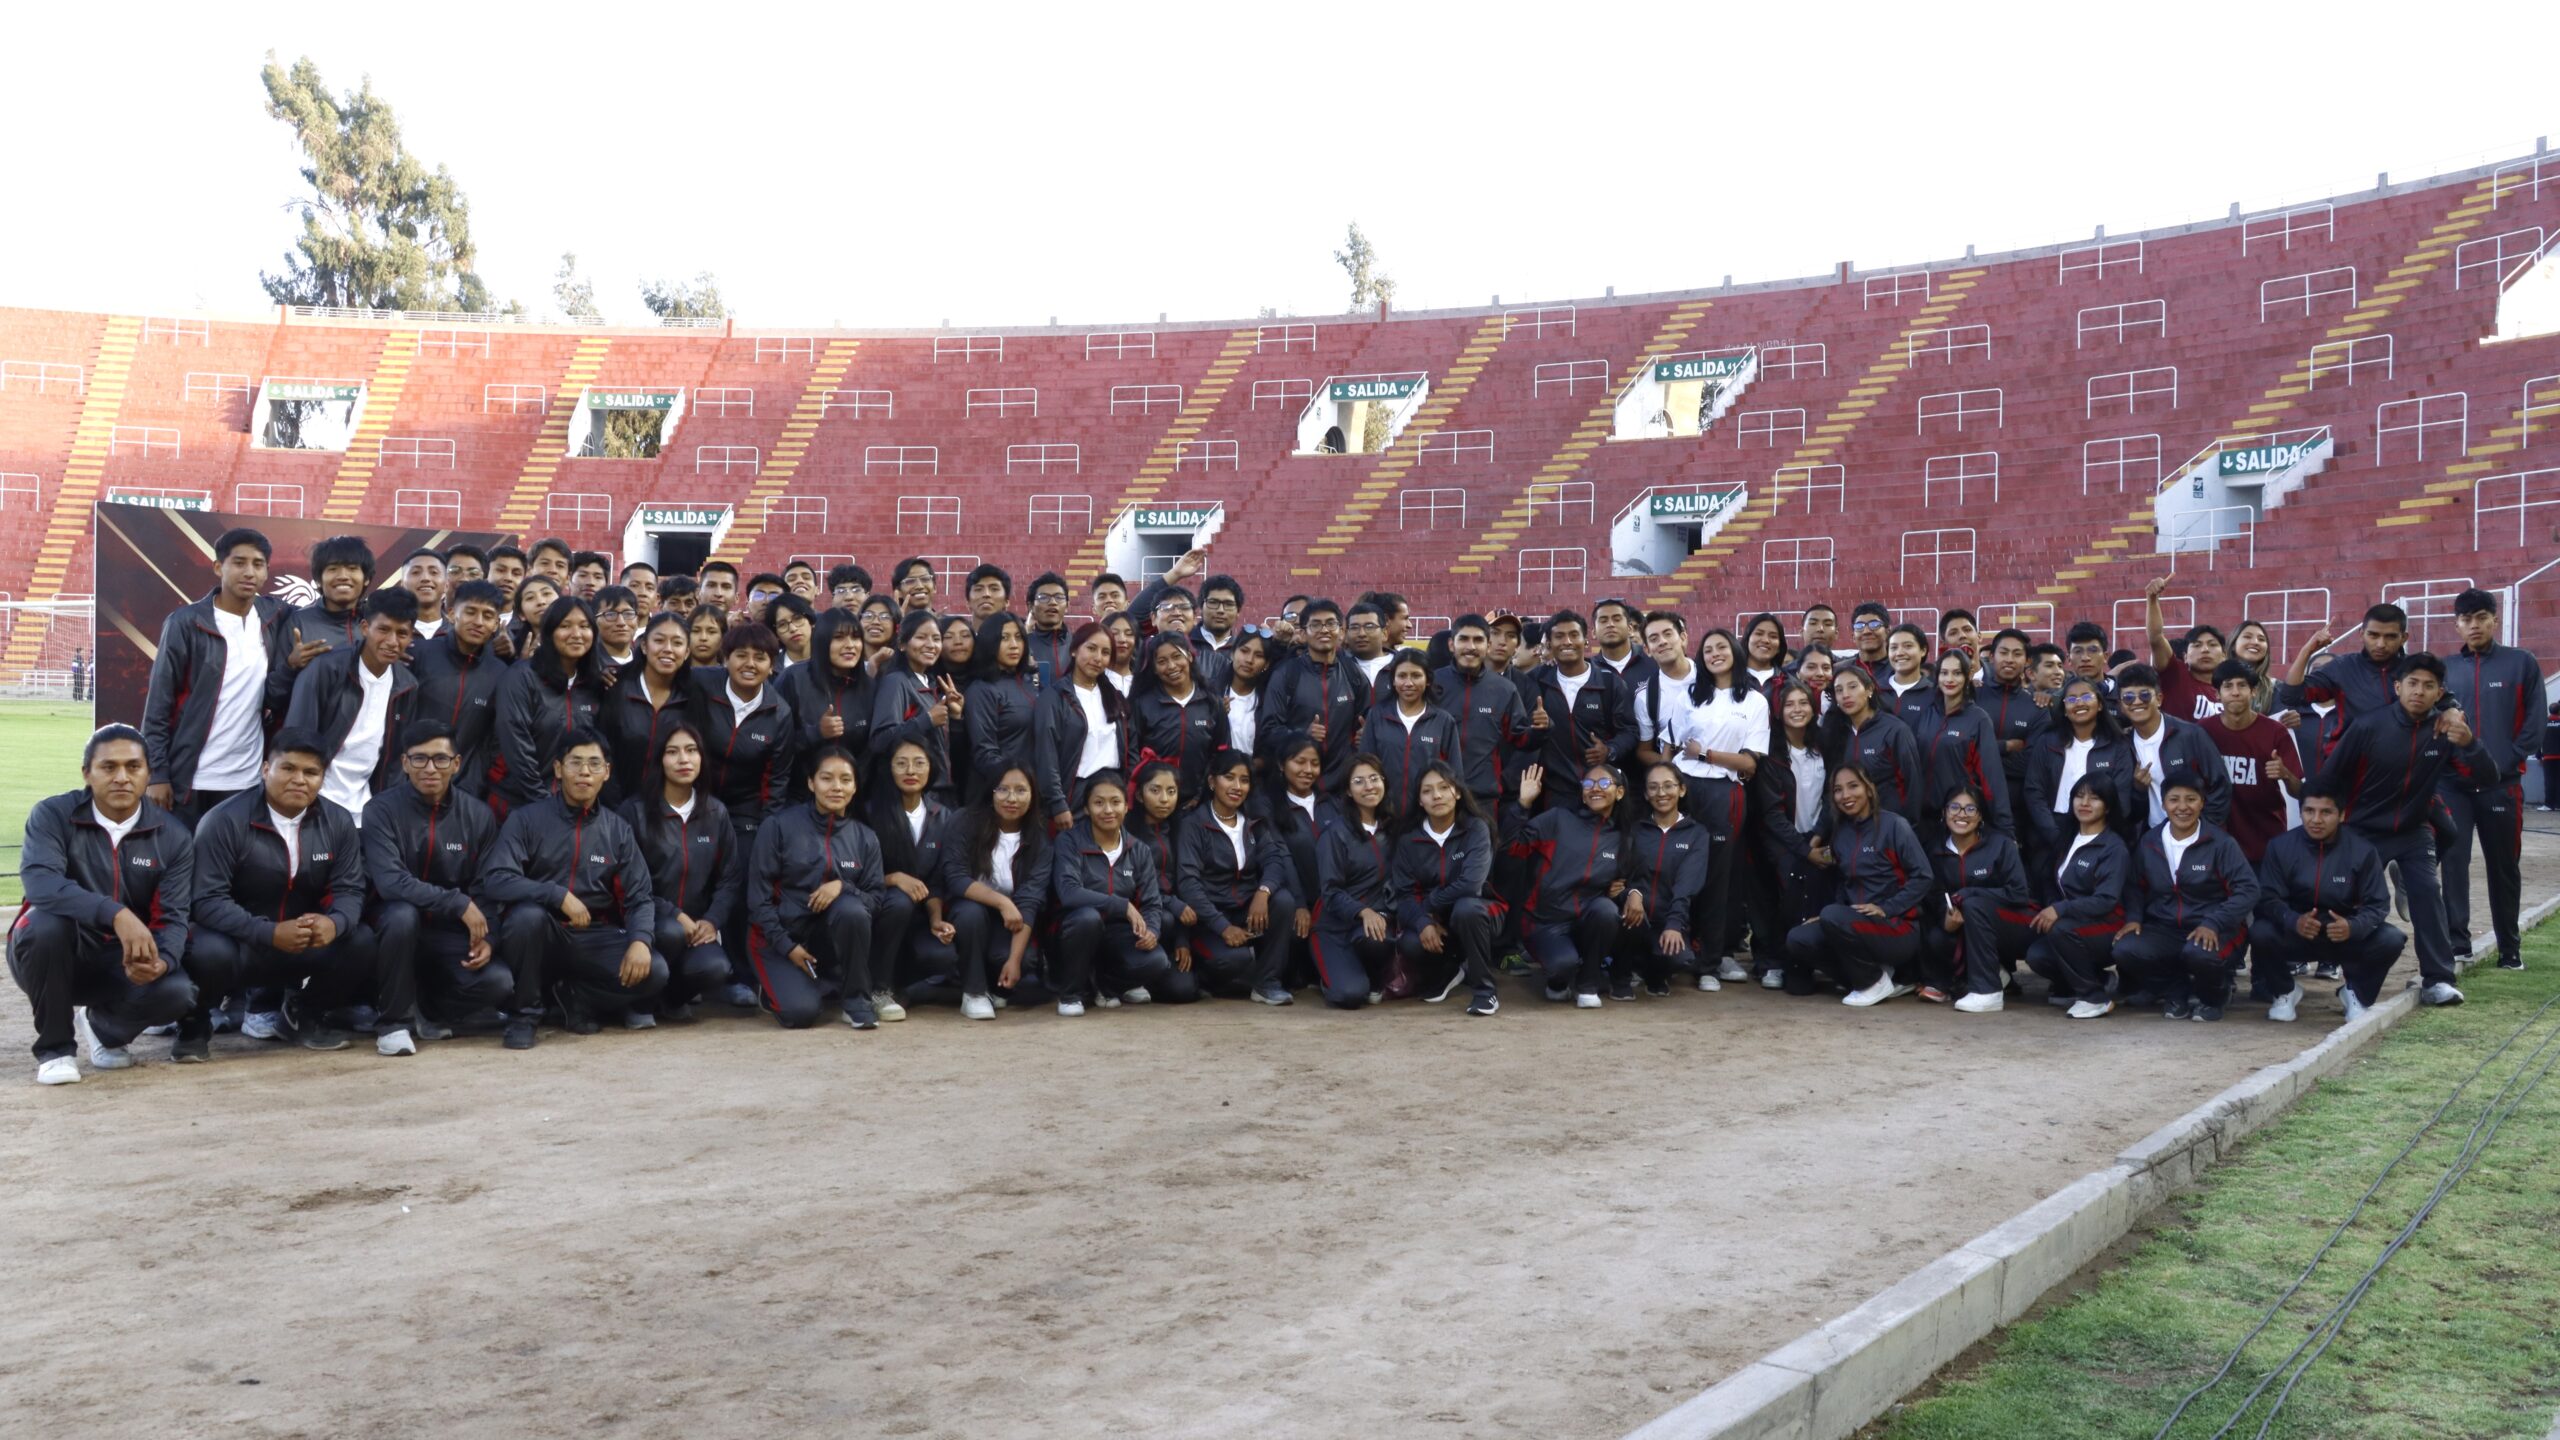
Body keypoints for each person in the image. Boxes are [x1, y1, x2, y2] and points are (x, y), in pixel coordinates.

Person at [11, 725, 196, 1083]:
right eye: (109, 767)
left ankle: (103, 1029)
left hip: (121, 959)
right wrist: (115, 914)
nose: (122, 777)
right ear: (87, 773)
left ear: (148, 773)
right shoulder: (52, 814)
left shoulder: (173, 835)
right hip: (53, 953)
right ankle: (56, 1050)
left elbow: (174, 916)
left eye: (133, 767)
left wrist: (162, 961)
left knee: (178, 992)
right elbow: (41, 883)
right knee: (45, 924)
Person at [182, 730, 381, 1055]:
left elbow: (349, 888)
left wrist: (335, 923)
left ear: (322, 778)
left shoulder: (338, 821)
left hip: (302, 942)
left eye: (311, 772)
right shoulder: (223, 821)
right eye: (288, 768)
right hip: (241, 944)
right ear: (266, 770)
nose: (299, 780)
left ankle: (304, 1014)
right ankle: (193, 1026)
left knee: (361, 940)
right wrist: (269, 933)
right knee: (205, 949)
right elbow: (206, 900)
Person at [2313, 652, 2493, 1007]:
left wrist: (2470, 743)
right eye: (2412, 683)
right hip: (2362, 831)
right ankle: (2353, 984)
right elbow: (2331, 779)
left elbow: (2487, 778)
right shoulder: (2368, 726)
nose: (2419, 692)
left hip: (2413, 830)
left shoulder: (2446, 729)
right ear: (2398, 687)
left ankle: (2438, 980)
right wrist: (2329, 826)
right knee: (2350, 903)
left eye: (2428, 686)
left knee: (2427, 892)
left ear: (2440, 692)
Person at [481, 727, 666, 1047]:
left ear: (607, 772)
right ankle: (524, 1016)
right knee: (527, 918)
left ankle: (576, 996)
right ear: (557, 769)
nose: (584, 772)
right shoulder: (527, 819)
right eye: (575, 762)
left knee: (656, 971)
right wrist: (556, 895)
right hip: (541, 933)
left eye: (594, 764)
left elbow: (640, 896)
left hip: (593, 935)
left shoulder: (617, 829)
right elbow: (496, 878)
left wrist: (640, 940)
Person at [362, 720, 505, 1047]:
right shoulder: (380, 810)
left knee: (499, 982)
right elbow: (390, 882)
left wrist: (489, 937)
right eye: (419, 759)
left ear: (456, 764)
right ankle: (392, 1024)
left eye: (440, 759)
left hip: (447, 931)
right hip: (391, 927)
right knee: (402, 915)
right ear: (404, 763)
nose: (430, 768)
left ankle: (428, 1007)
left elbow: (485, 887)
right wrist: (457, 902)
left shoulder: (478, 815)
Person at [142, 526, 289, 823]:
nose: (249, 572)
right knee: (186, 854)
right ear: (218, 567)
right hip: (191, 780)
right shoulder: (186, 623)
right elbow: (159, 704)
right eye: (239, 563)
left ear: (266, 572)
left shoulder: (276, 616)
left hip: (247, 780)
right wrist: (157, 774)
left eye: (258, 564)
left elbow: (327, 617)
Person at [741, 743, 887, 1029]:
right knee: (801, 1014)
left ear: (855, 787)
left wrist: (843, 887)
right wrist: (787, 947)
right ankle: (784, 986)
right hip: (776, 939)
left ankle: (856, 1001)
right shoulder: (778, 826)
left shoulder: (866, 837)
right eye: (826, 778)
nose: (836, 787)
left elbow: (877, 900)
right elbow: (758, 900)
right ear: (811, 783)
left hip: (825, 940)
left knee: (852, 909)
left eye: (845, 779)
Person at [1655, 624, 1768, 982]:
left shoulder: (1754, 700)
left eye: (1721, 647)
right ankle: (1674, 954)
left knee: (1719, 877)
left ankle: (1711, 962)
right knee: (1678, 869)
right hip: (1686, 788)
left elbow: (1749, 763)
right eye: (1708, 650)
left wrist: (1707, 755)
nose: (1715, 654)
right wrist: (1666, 782)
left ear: (1735, 651)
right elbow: (1670, 748)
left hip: (1724, 793)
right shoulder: (1690, 694)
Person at [2441, 587, 2544, 969]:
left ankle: (2509, 949)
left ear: (2495, 620)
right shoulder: (2445, 669)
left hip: (2502, 785)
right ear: (2456, 625)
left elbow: (2534, 721)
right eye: (2466, 619)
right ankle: (2457, 945)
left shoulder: (2521, 663)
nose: (2474, 625)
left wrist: (2506, 762)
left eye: (2481, 618)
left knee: (2503, 867)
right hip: (2454, 785)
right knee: (2453, 865)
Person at [2250, 779, 2405, 1024]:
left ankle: (2357, 993)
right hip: (2298, 935)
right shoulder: (2279, 847)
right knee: (2260, 931)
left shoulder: (2362, 851)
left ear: (2341, 815)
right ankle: (2284, 991)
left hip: (2344, 937)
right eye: (2309, 811)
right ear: (2301, 811)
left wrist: (2352, 926)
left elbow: (2378, 905)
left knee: (2392, 938)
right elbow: (2268, 898)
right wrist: (2294, 920)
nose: (2316, 819)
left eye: (2326, 812)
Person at [619, 721, 745, 1021]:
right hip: (648, 921)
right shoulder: (635, 812)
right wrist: (675, 914)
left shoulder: (715, 812)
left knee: (715, 968)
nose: (683, 759)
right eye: (672, 752)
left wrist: (712, 921)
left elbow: (730, 877)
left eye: (691, 750)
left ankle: (671, 1001)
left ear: (702, 758)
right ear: (659, 760)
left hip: (696, 926)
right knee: (670, 932)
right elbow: (627, 882)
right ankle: (639, 1004)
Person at [1781, 764, 1931, 1006]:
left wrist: (1887, 908)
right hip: (1854, 922)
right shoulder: (1841, 832)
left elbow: (1923, 877)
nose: (1845, 795)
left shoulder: (1895, 825)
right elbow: (1844, 881)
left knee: (1832, 915)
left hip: (1897, 927)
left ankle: (1872, 983)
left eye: (1853, 786)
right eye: (1838, 790)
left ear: (1869, 789)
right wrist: (1830, 917)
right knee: (1799, 938)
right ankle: (1872, 977)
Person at [2115, 776, 2260, 1021]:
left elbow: (2248, 889)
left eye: (2191, 799)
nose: (2182, 807)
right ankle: (2176, 991)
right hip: (2165, 927)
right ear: (2163, 804)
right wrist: (2134, 918)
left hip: (2216, 928)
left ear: (2202, 803)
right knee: (2125, 949)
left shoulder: (2221, 843)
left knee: (2199, 954)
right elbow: (2134, 886)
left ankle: (2214, 997)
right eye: (2174, 800)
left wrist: (2214, 922)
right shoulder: (2150, 842)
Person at [1047, 770, 1179, 1015]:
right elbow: (1069, 892)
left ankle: (1105, 985)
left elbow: (1152, 901)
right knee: (1088, 918)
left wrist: (1152, 930)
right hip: (1075, 930)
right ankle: (1071, 994)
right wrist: (1122, 905)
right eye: (1099, 803)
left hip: (1117, 931)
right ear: (1086, 809)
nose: (1108, 810)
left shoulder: (1138, 849)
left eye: (1115, 802)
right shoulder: (1069, 841)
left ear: (1126, 807)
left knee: (1158, 961)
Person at [284, 586, 420, 821]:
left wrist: (386, 811)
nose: (392, 641)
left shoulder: (407, 685)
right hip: (315, 804)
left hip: (366, 810)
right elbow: (296, 737)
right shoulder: (326, 669)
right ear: (365, 628)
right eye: (384, 630)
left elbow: (395, 760)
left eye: (402, 633)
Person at [1174, 750, 1299, 1004]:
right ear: (1212, 781)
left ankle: (1267, 984)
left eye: (1244, 780)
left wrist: (1263, 892)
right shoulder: (1194, 824)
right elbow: (1188, 883)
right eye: (1229, 777)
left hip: (1246, 910)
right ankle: (1207, 977)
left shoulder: (1253, 821)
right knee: (1233, 961)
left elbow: (1274, 860)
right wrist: (1223, 926)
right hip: (1209, 919)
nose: (1237, 786)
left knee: (1283, 901)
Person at [1506, 761, 1630, 1008]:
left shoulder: (1622, 838)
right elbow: (1511, 847)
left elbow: (1629, 879)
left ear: (1619, 792)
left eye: (1604, 782)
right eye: (1588, 783)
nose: (1595, 788)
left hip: (1586, 921)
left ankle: (1588, 984)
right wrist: (1523, 804)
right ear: (1582, 793)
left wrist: (1626, 891)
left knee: (1606, 910)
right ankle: (1558, 983)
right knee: (1563, 964)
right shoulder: (1558, 819)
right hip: (1545, 923)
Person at [937, 765, 1053, 1018]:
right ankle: (974, 993)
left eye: (1021, 790)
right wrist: (1002, 902)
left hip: (1009, 918)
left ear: (1033, 796)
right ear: (991, 792)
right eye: (1003, 789)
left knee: (1023, 959)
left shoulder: (1039, 839)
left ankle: (996, 986)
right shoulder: (965, 821)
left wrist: (1014, 960)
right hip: (967, 908)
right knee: (971, 913)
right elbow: (956, 878)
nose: (1012, 798)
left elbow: (1030, 900)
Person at [1388, 762, 1502, 1015]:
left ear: (1457, 792)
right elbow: (1404, 894)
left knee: (1466, 909)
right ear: (1420, 800)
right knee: (1410, 942)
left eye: (1444, 787)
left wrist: (1428, 906)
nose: (1436, 796)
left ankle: (1485, 991)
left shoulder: (1476, 828)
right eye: (1427, 791)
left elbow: (1471, 884)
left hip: (1481, 911)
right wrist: (1423, 922)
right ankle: (1449, 970)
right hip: (1436, 918)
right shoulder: (1408, 839)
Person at [2022, 777, 2135, 1019]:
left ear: (2108, 806)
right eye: (2079, 796)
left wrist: (2060, 910)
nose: (2084, 803)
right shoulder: (2067, 836)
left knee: (2061, 930)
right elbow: (2050, 880)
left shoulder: (2113, 847)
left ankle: (2094, 998)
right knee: (2038, 956)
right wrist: (2054, 906)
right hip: (2074, 921)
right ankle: (2099, 980)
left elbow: (2106, 900)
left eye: (2094, 798)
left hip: (2107, 925)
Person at [1918, 786, 2035, 1010]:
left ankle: (1987, 991)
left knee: (1973, 904)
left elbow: (2019, 893)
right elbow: (1934, 893)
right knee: (1936, 936)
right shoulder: (1934, 850)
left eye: (1970, 809)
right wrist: (1945, 915)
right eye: (1954, 807)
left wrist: (1970, 894)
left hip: (2009, 923)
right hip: (1963, 926)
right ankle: (1960, 980)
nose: (1961, 814)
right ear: (1944, 812)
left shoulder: (2000, 844)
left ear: (1981, 815)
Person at [867, 739, 959, 1020]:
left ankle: (905, 987)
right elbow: (857, 875)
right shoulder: (871, 812)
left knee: (943, 956)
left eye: (919, 763)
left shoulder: (943, 816)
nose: (911, 770)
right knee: (899, 900)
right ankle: (879, 989)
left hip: (921, 914)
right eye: (901, 763)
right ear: (889, 768)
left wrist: (936, 919)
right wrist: (893, 879)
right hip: (881, 911)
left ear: (931, 768)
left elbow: (939, 879)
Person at [491, 596, 607, 814]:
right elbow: (516, 744)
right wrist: (544, 802)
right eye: (565, 626)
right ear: (549, 632)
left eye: (584, 626)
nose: (576, 634)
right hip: (517, 802)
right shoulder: (522, 677)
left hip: (572, 804)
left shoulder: (593, 683)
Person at [1749, 681, 1831, 989]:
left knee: (1815, 896)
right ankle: (1772, 960)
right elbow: (1771, 813)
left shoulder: (1824, 745)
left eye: (1803, 703)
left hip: (1817, 836)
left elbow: (1833, 796)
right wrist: (1802, 848)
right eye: (1789, 704)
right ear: (1778, 711)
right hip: (1780, 840)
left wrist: (1817, 838)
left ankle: (1803, 960)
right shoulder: (1770, 753)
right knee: (1781, 896)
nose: (1797, 710)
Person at [1517, 610, 1636, 808]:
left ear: (1586, 641)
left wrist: (1610, 750)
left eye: (1574, 635)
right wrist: (1536, 728)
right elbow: (1519, 733)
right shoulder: (1535, 681)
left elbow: (1630, 731)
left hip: (1599, 789)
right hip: (1553, 793)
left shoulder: (1610, 683)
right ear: (1549, 644)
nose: (1567, 642)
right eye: (1559, 636)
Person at [1612, 763, 1710, 1000]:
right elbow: (1620, 877)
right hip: (1634, 915)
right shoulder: (1634, 830)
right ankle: (1621, 976)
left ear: (1682, 790)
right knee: (1628, 919)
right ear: (1646, 794)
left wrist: (1674, 923)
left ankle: (1654, 975)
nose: (1661, 793)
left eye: (1668, 786)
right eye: (1653, 787)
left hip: (1668, 919)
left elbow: (1687, 884)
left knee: (1680, 958)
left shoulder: (1696, 834)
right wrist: (1630, 893)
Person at [2026, 675, 2140, 867]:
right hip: (2052, 831)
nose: (2079, 703)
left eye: (2086, 697)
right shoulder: (2048, 742)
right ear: (2064, 709)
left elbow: (2121, 798)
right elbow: (2033, 791)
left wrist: (2095, 836)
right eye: (2071, 699)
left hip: (2100, 833)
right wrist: (2053, 834)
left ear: (2100, 704)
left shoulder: (2117, 745)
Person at [1310, 754, 1396, 1008]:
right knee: (1350, 995)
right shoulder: (1335, 833)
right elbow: (1330, 891)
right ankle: (1331, 976)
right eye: (1359, 781)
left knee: (1378, 940)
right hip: (1333, 927)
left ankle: (1372, 976)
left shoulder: (1393, 828)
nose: (1369, 786)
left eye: (1374, 779)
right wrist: (1362, 911)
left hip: (1372, 927)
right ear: (1348, 790)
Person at [409, 579, 507, 798]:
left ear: (496, 624)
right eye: (470, 612)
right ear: (452, 614)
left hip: (464, 791)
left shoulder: (500, 673)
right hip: (408, 783)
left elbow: (492, 740)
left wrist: (475, 781)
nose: (478, 622)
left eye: (488, 616)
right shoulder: (418, 653)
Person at [2281, 605, 2411, 766]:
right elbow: (2291, 695)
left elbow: (2439, 704)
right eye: (2373, 635)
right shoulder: (2342, 667)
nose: (2380, 644)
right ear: (2361, 634)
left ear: (2404, 638)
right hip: (2349, 768)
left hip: (2401, 767)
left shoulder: (2416, 670)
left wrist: (2444, 714)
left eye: (2390, 637)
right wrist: (2307, 650)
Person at [2204, 657, 2305, 865]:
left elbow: (2299, 792)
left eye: (2242, 685)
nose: (2235, 692)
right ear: (2217, 694)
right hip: (2219, 843)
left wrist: (2285, 774)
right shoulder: (2203, 730)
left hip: (2267, 842)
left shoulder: (2276, 732)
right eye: (2228, 686)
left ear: (2253, 691)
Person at [1265, 599, 1372, 792]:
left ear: (1341, 631)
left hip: (1341, 786)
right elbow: (1269, 730)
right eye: (1315, 625)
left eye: (1331, 623)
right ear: (1303, 633)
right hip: (1297, 786)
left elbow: (1367, 719)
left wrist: (1366, 734)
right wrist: (1301, 735)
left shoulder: (1353, 673)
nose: (1324, 630)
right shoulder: (1286, 674)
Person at [265, 534, 376, 713]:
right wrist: (290, 666)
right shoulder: (298, 622)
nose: (343, 576)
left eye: (352, 568)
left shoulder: (376, 624)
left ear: (366, 578)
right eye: (332, 569)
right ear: (318, 580)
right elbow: (272, 697)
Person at [1032, 622, 1126, 831]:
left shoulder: (1115, 698)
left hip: (1112, 792)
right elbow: (1046, 754)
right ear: (1074, 650)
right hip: (1074, 796)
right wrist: (1057, 803)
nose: (1098, 658)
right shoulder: (1055, 697)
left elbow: (1130, 748)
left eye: (1105, 653)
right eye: (1091, 648)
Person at [2115, 664, 2232, 831]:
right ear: (2121, 706)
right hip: (2151, 838)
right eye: (2128, 697)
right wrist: (2138, 790)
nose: (2137, 702)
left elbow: (2220, 785)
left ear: (2159, 699)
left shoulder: (2190, 735)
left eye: (2145, 695)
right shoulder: (2123, 744)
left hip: (2195, 834)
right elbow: (2127, 809)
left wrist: (2203, 830)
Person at [1914, 648, 2013, 843]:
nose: (1949, 679)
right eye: (1944, 673)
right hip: (1922, 819)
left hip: (1958, 818)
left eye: (1957, 673)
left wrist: (2006, 828)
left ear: (1968, 676)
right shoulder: (1926, 714)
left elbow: (1992, 777)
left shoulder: (1978, 719)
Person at [1435, 614, 1531, 815]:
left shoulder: (1504, 689)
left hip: (1483, 798)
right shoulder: (1432, 684)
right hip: (1436, 793)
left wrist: (1540, 730)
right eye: (1464, 639)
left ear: (1488, 646)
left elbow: (1520, 739)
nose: (1471, 646)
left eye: (1478, 640)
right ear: (1451, 645)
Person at [603, 612, 698, 807]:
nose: (668, 649)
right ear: (644, 646)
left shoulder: (693, 698)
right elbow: (602, 750)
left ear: (687, 652)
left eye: (677, 643)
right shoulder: (614, 687)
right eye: (659, 641)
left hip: (668, 811)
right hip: (614, 807)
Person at [779, 608, 873, 798]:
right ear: (822, 641)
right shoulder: (794, 679)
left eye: (856, 638)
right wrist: (816, 733)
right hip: (798, 798)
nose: (850, 645)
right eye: (839, 638)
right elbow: (774, 744)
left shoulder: (869, 687)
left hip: (850, 798)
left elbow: (870, 753)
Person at [869, 611, 962, 803]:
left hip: (941, 792)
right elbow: (880, 740)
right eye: (921, 637)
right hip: (912, 795)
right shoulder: (896, 682)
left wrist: (956, 716)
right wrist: (926, 720)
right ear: (902, 644)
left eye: (936, 639)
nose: (930, 645)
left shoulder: (932, 684)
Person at [1127, 633, 1229, 807]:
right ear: (1154, 668)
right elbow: (1132, 753)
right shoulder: (1142, 704)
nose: (1171, 666)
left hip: (1198, 803)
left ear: (1190, 656)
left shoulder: (1212, 703)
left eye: (1177, 656)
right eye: (1162, 661)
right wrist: (1146, 793)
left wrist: (1200, 795)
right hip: (1154, 803)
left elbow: (1220, 754)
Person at [1363, 651, 1458, 814]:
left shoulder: (1443, 721)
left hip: (1427, 814)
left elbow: (1455, 773)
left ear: (1428, 680)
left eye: (1416, 676)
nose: (1408, 683)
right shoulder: (1377, 715)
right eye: (1402, 676)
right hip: (1385, 813)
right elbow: (1366, 766)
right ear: (1393, 680)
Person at [1826, 666, 1923, 819]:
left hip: (1889, 823)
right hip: (1850, 825)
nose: (1845, 695)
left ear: (1869, 690)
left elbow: (1912, 785)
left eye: (1852, 687)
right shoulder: (1836, 732)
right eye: (1839, 690)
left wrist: (1908, 826)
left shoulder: (1895, 730)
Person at [2142, 577, 2230, 723]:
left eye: (2212, 644)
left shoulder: (2233, 689)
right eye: (2197, 645)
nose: (2205, 649)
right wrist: (2152, 599)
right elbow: (2156, 637)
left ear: (2224, 655)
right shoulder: (2175, 675)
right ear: (2185, 656)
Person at [1879, 624, 1936, 729]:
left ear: (1923, 650)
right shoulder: (1874, 690)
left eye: (1908, 646)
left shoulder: (1934, 694)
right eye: (1894, 648)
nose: (1899, 653)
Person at [1023, 572, 1075, 687]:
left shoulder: (1079, 644)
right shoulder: (1023, 646)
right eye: (1043, 597)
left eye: (1059, 597)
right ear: (1031, 606)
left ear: (1067, 605)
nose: (1052, 602)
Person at [399, 548, 448, 639]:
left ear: (446, 585)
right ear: (402, 585)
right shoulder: (392, 632)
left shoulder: (459, 633)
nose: (425, 578)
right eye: (416, 572)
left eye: (433, 572)